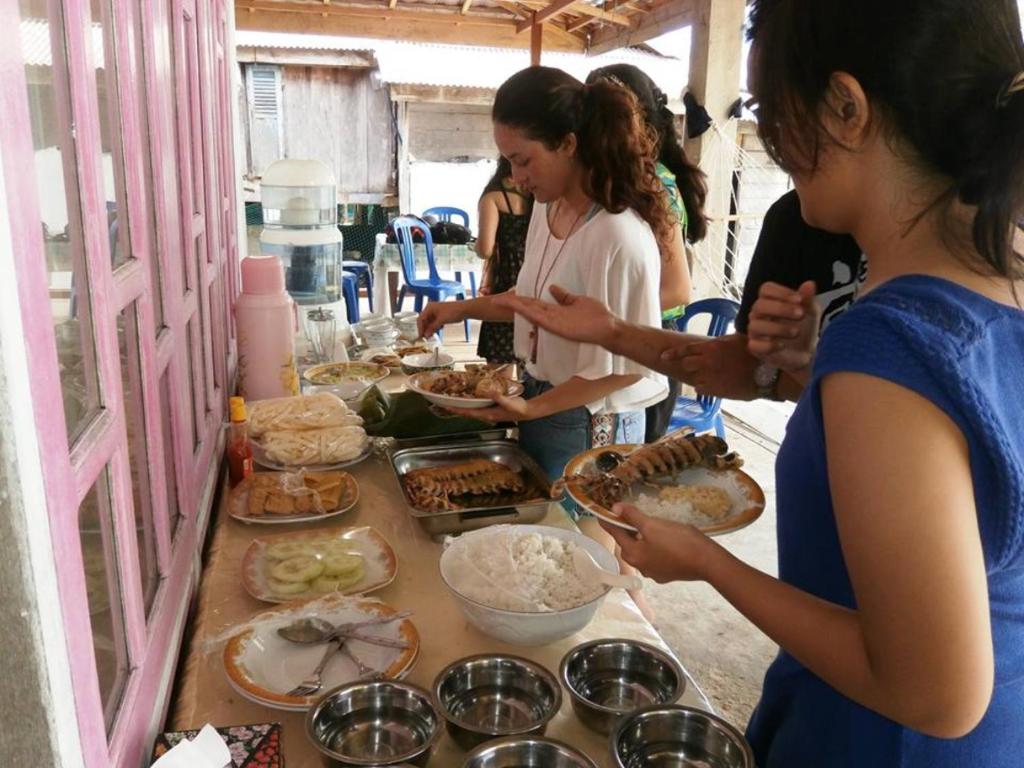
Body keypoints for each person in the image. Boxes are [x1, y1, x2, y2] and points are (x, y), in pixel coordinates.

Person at [501, 1, 1024, 765]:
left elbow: (936, 692)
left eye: (767, 110)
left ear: (844, 107)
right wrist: (616, 332)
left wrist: (707, 561)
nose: (771, 141)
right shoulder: (993, 287)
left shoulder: (891, 343)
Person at [418, 65, 670, 488]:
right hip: (540, 396)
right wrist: (458, 309)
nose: (516, 178)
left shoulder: (617, 235)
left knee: (587, 534)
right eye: (509, 162)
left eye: (523, 161)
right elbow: (530, 299)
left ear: (568, 144)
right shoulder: (546, 208)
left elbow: (631, 367)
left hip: (590, 417)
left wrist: (535, 409)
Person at [587, 64, 707, 440]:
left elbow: (677, 291)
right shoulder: (612, 179)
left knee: (635, 460)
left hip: (655, 337)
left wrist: (608, 322)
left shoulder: (657, 184)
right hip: (625, 333)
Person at [474, 156, 533, 365]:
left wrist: (475, 245)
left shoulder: (493, 196)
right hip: (534, 278)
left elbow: (485, 249)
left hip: (505, 282)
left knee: (500, 374)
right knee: (531, 365)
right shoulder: (537, 193)